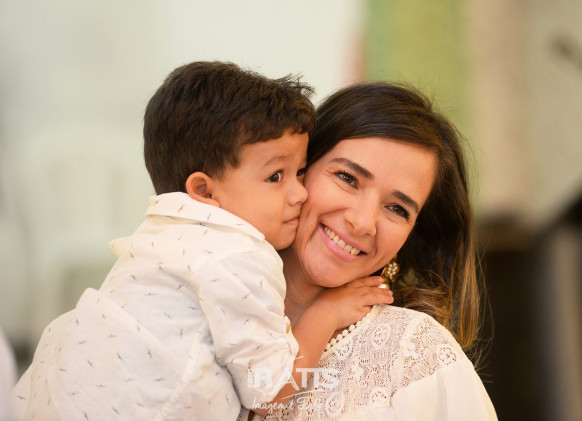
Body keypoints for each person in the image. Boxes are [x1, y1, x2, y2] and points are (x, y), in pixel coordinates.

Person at [11, 62, 394, 421]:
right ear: (205, 191)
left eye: (300, 172)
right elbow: (269, 389)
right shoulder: (241, 254)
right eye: (276, 176)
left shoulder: (160, 233)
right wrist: (326, 314)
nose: (300, 193)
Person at [244, 82, 497, 420]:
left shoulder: (418, 356)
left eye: (397, 209)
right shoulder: (201, 303)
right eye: (347, 178)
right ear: (299, 168)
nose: (363, 223)